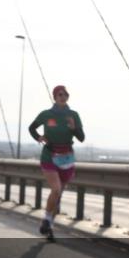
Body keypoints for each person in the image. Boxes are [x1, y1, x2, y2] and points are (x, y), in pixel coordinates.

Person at [28, 85, 85, 243]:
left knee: (58, 195)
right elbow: (32, 128)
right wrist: (38, 137)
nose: (62, 96)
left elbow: (81, 138)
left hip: (66, 157)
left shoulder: (73, 115)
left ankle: (49, 227)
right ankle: (46, 219)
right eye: (59, 94)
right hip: (49, 155)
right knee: (56, 189)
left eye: (65, 94)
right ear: (55, 97)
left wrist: (74, 128)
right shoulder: (47, 115)